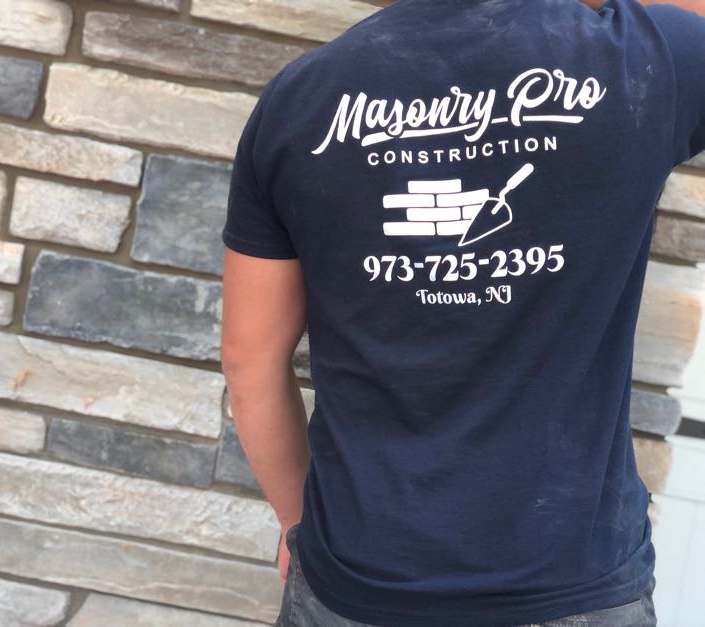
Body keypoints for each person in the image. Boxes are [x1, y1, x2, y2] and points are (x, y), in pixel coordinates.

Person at [220, 0, 705, 624]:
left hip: (358, 580)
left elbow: (248, 358)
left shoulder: (299, 99)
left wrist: (297, 525)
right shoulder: (645, 57)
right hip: (571, 578)